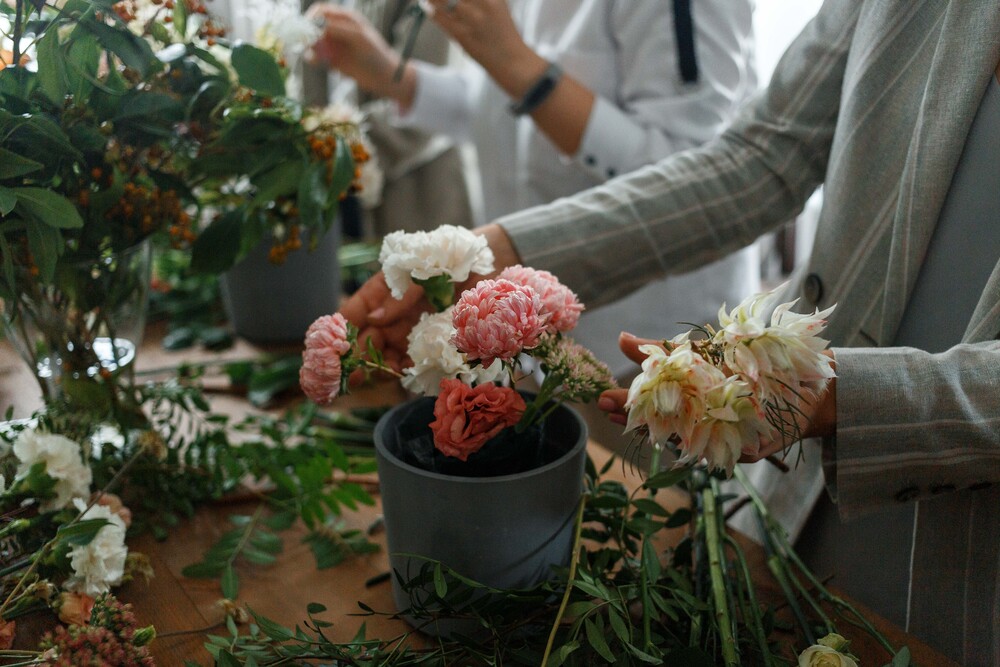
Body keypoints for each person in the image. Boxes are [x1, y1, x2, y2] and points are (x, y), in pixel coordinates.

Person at [340, 1, 1000, 664]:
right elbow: (759, 158)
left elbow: (696, 147)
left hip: (959, 575)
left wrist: (841, 399)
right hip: (785, 498)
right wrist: (495, 251)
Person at [306, 0, 762, 388]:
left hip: (652, 348)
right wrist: (391, 74)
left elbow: (691, 174)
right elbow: (506, 112)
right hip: (537, 333)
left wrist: (515, 65)